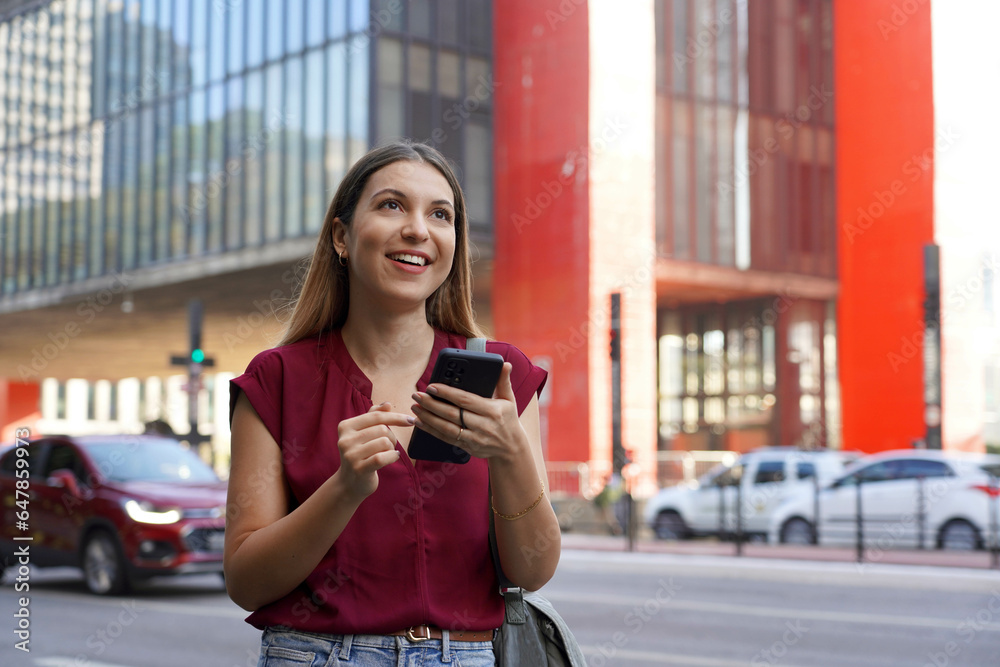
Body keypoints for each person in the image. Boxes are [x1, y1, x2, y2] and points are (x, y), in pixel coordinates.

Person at [224, 140, 560, 666]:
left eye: (440, 214)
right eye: (391, 205)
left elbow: (532, 571)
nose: (417, 230)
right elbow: (246, 581)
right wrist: (344, 489)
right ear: (341, 235)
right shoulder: (277, 379)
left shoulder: (501, 374)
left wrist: (510, 452)